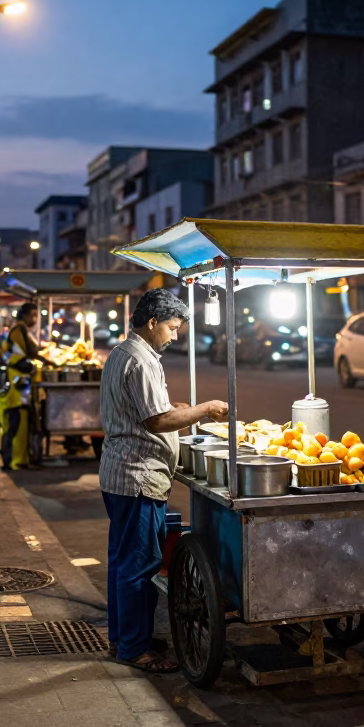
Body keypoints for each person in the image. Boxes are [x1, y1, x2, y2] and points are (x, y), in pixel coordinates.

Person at [99, 288, 229, 673]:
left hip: (121, 473)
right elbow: (155, 422)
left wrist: (177, 408)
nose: (175, 336)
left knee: (123, 561)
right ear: (152, 322)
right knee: (140, 564)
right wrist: (204, 409)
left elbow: (143, 408)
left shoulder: (124, 353)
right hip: (137, 475)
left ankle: (123, 637)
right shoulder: (140, 360)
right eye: (172, 328)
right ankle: (134, 649)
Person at [0, 303, 43, 471]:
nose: (34, 319)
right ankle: (12, 461)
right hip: (17, 389)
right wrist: (34, 366)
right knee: (15, 425)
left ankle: (19, 459)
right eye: (32, 315)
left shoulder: (21, 331)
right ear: (23, 315)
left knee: (22, 425)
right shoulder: (18, 332)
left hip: (22, 388)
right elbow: (18, 358)